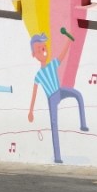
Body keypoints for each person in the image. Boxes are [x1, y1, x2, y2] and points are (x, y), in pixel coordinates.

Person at [28, 31, 88, 164]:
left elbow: (62, 55)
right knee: (54, 124)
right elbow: (34, 93)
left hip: (59, 91)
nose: (43, 51)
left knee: (78, 95)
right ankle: (57, 156)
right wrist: (31, 111)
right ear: (33, 54)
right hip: (52, 98)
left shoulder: (52, 64)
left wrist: (68, 41)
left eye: (44, 47)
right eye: (39, 49)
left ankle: (83, 125)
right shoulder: (38, 75)